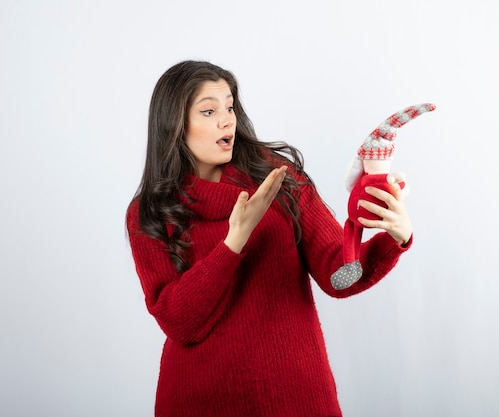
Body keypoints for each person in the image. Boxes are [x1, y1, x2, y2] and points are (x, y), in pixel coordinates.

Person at [126, 60, 413, 417]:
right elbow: (179, 322)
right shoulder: (149, 211)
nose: (227, 119)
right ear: (173, 124)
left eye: (229, 107)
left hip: (297, 398)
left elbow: (337, 275)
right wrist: (234, 242)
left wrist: (392, 238)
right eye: (209, 110)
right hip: (197, 401)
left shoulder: (277, 176)